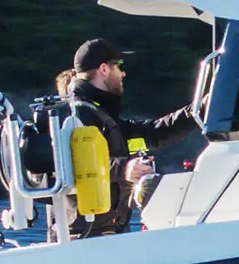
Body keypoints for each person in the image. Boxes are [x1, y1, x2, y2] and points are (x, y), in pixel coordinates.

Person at [62, 38, 198, 237]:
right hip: (83, 236)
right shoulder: (76, 114)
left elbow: (155, 132)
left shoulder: (105, 116)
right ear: (103, 69)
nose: (123, 73)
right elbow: (73, 163)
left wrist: (198, 111)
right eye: (119, 66)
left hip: (108, 232)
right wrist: (125, 168)